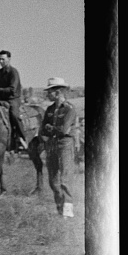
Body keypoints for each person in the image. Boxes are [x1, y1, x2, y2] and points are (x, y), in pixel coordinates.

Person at [38, 78, 77, 217]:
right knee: (53, 180)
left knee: (65, 178)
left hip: (65, 144)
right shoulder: (49, 109)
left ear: (58, 92)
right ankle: (60, 209)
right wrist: (48, 130)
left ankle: (67, 212)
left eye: (50, 91)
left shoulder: (69, 108)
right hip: (51, 145)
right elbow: (42, 129)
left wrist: (50, 128)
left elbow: (64, 130)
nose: (48, 94)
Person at [0, 49, 28, 150]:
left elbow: (13, 89)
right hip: (2, 99)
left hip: (13, 99)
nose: (1, 61)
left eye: (3, 59)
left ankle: (22, 137)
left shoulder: (13, 72)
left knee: (14, 115)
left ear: (9, 59)